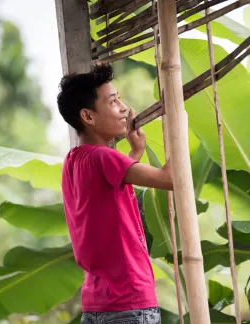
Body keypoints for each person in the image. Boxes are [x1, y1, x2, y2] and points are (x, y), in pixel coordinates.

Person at [57, 64, 172, 324]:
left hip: (97, 306)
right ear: (88, 117)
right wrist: (178, 123)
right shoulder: (104, 157)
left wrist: (135, 154)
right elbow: (171, 180)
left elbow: (110, 191)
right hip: (129, 304)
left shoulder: (74, 160)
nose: (122, 107)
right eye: (112, 102)